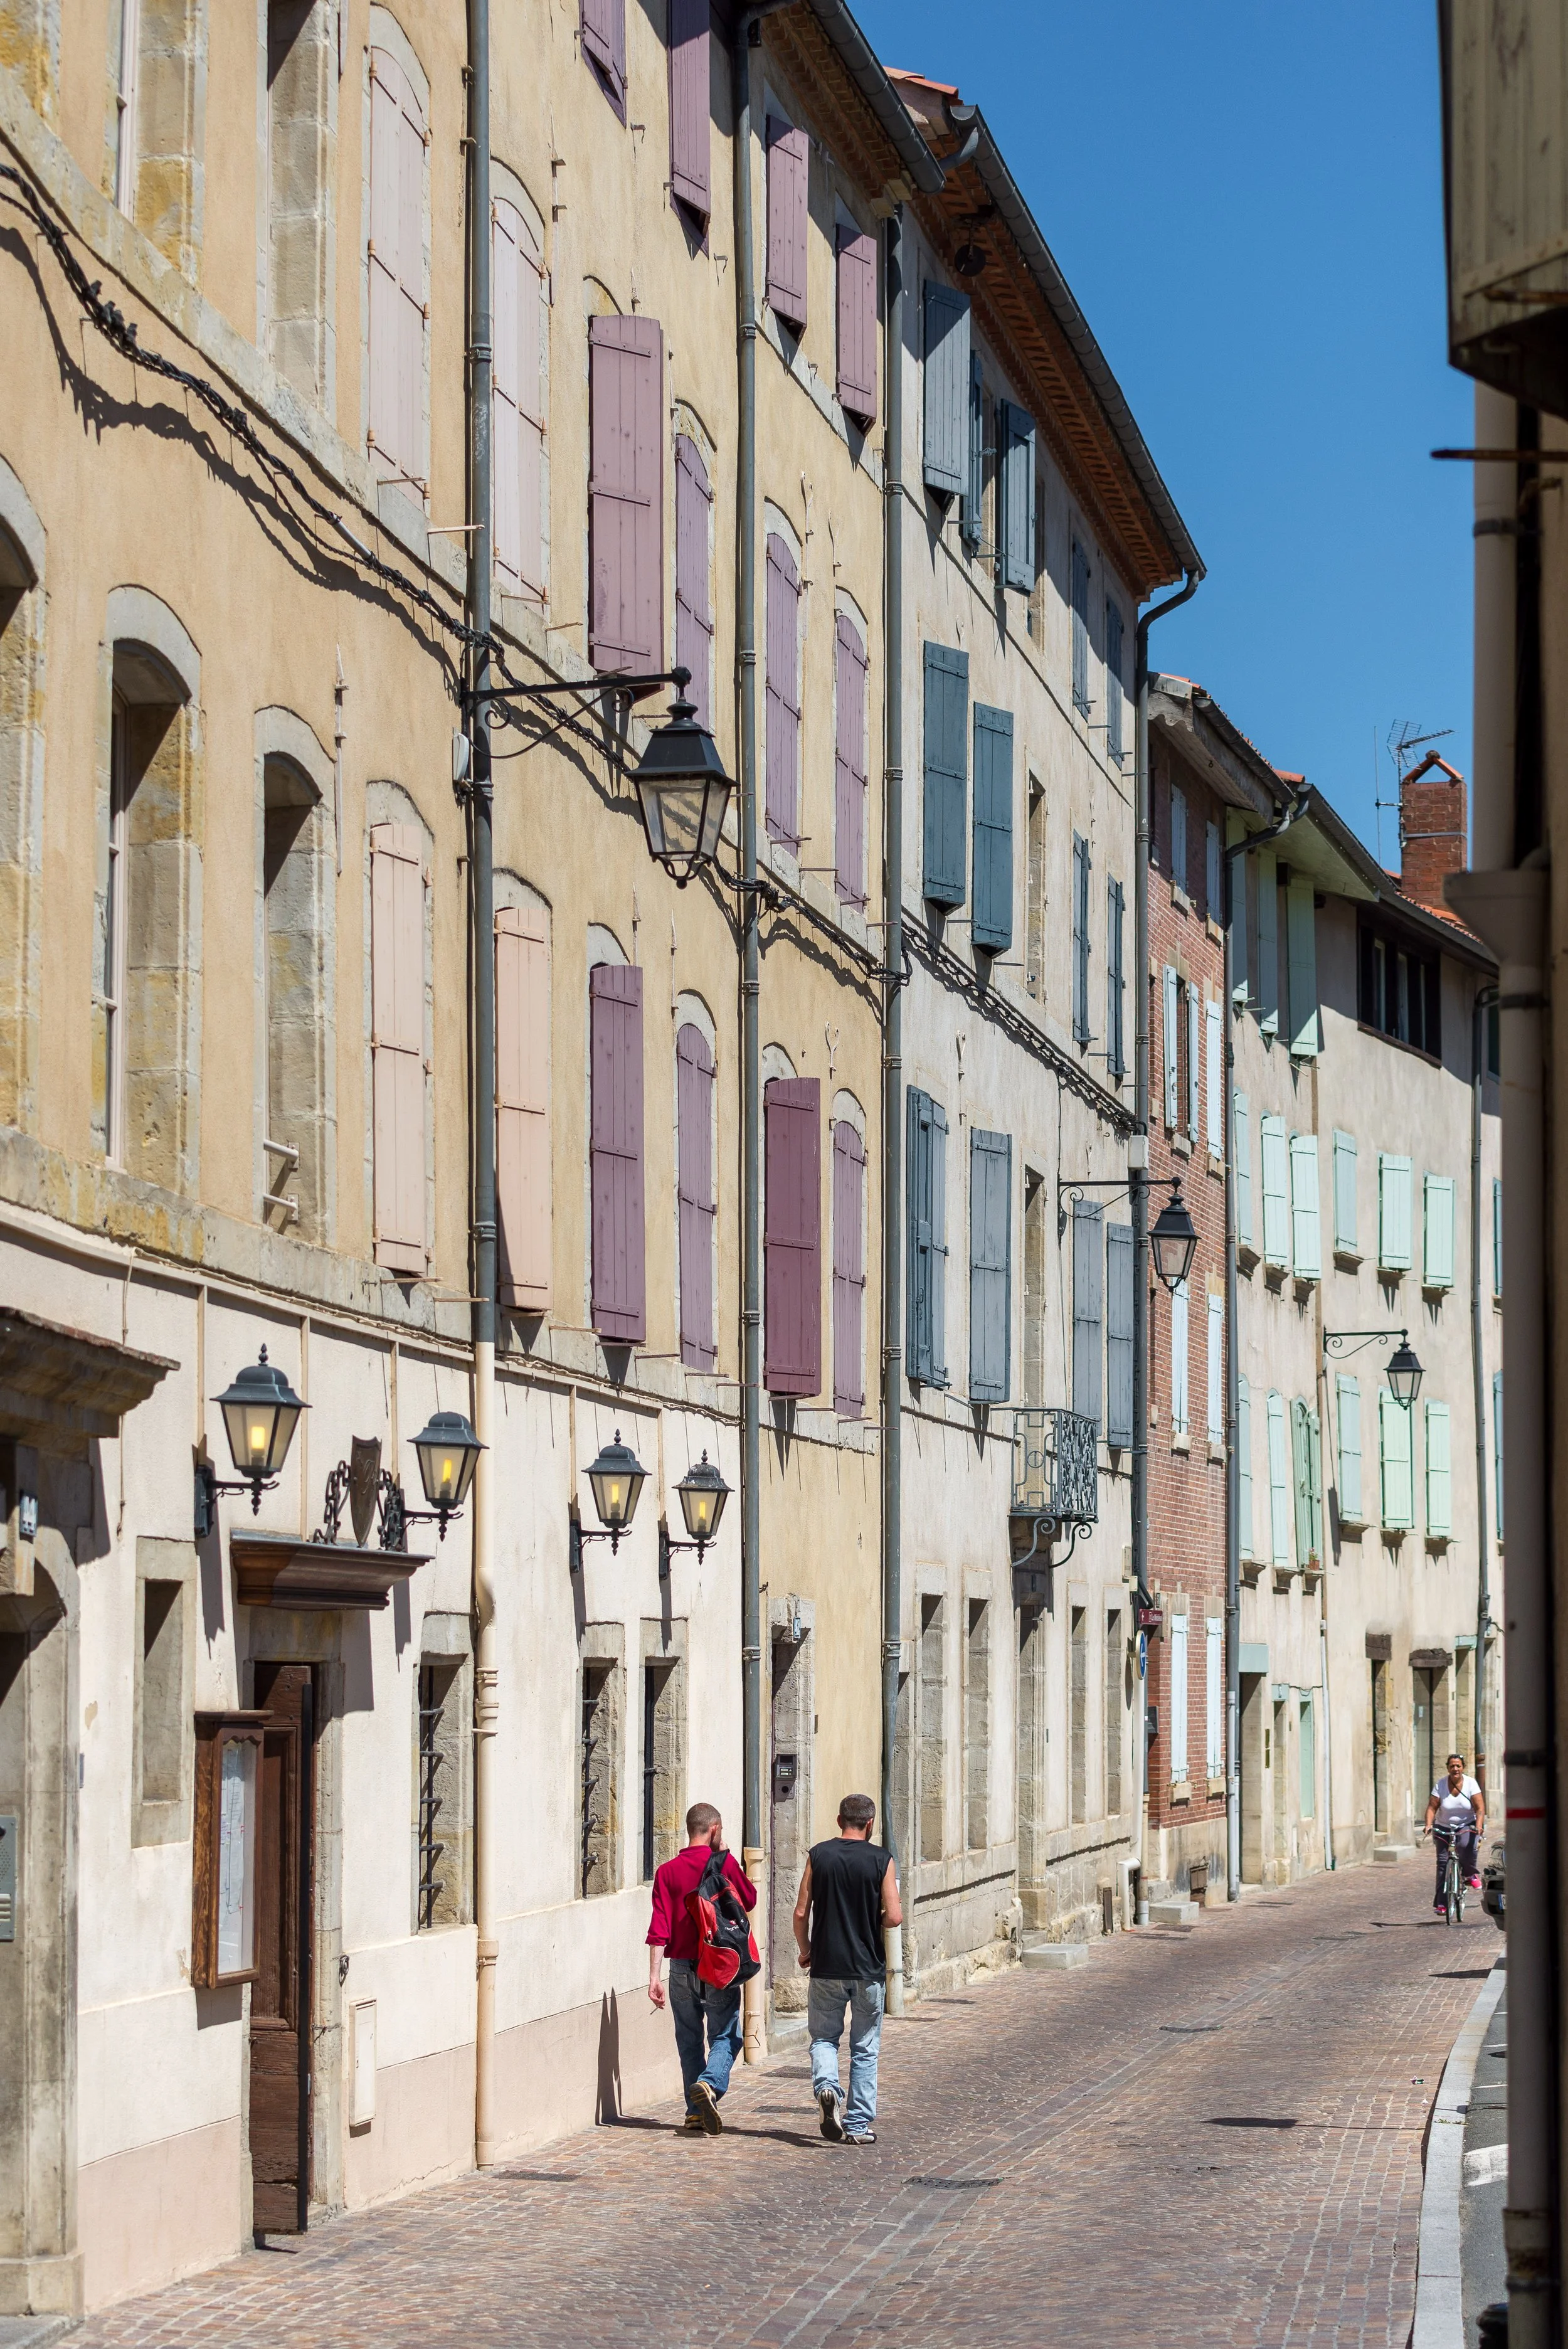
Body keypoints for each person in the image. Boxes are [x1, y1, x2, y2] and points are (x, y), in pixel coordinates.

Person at [793, 1793, 902, 2146]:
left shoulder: (819, 1855)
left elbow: (800, 1913)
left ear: (840, 1820)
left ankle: (826, 2086)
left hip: (826, 1965)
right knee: (864, 2048)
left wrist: (806, 1950)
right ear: (869, 1824)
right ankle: (856, 2126)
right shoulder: (881, 1859)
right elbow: (895, 1916)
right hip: (866, 1967)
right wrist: (879, 1917)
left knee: (824, 2037)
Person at [646, 1801, 756, 2134]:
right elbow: (748, 1900)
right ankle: (709, 2085)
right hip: (719, 1964)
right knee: (726, 2034)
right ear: (715, 1830)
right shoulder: (721, 1864)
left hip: (680, 1968)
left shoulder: (667, 1872)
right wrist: (726, 1856)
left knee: (689, 2039)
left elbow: (659, 1927)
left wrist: (654, 1976)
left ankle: (694, 2112)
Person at [1424, 1751, 1486, 1911]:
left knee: (1466, 1845)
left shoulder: (1471, 1784)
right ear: (1448, 1768)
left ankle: (1469, 1874)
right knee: (1443, 1864)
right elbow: (1432, 1807)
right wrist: (1428, 1824)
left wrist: (1479, 1826)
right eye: (1452, 1766)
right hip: (1444, 1826)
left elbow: (1479, 1809)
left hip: (1466, 1824)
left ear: (1463, 1768)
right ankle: (1442, 1904)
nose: (1455, 1769)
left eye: (1458, 1766)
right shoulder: (1441, 1784)